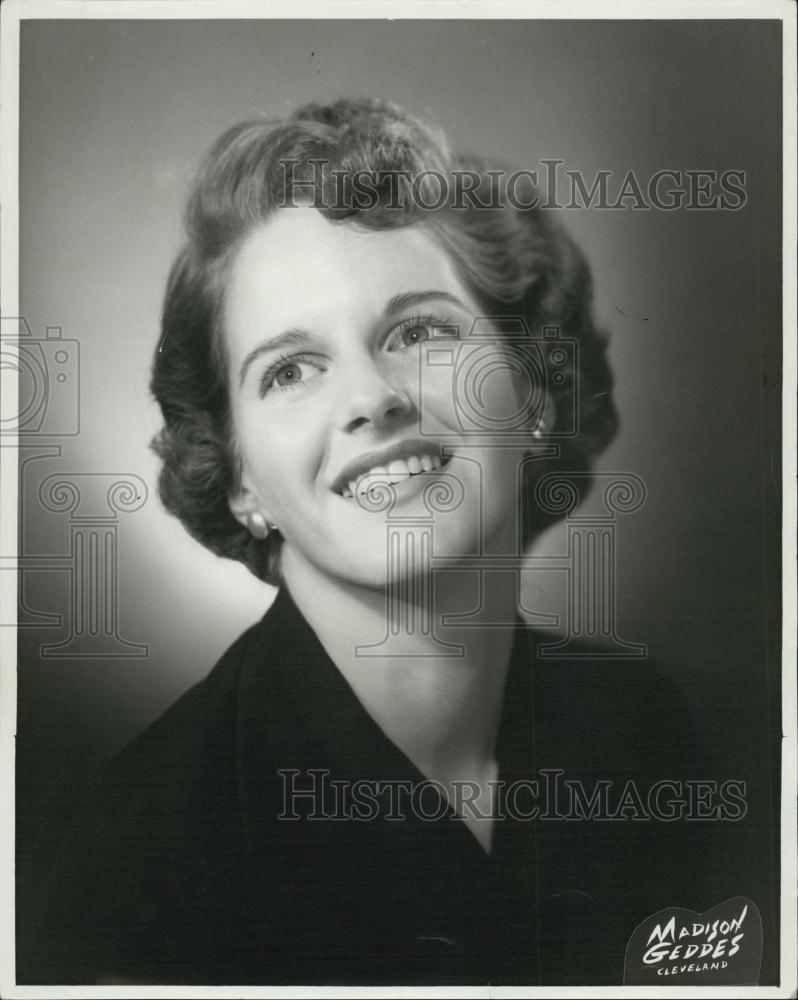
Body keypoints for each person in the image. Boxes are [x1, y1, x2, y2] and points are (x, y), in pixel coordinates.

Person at [21, 98, 749, 986]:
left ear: (533, 392)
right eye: (290, 369)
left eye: (421, 331)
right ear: (241, 477)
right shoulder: (141, 875)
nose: (373, 397)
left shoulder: (665, 733)